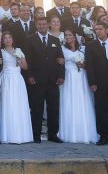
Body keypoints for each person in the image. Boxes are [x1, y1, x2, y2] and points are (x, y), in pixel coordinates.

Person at [27, 15, 64, 143]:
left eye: (44, 24)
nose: (42, 26)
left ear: (48, 25)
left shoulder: (55, 40)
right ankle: (36, 134)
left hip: (53, 80)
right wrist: (29, 75)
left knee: (53, 108)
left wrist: (61, 76)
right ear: (36, 25)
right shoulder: (30, 39)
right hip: (37, 80)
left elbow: (60, 59)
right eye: (39, 24)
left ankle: (53, 134)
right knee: (37, 108)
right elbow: (29, 60)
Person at [55, 29, 95, 143]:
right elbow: (59, 61)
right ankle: (68, 132)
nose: (67, 37)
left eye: (69, 35)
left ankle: (85, 131)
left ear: (74, 37)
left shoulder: (83, 49)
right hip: (68, 77)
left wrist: (83, 65)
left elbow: (90, 63)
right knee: (68, 102)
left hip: (81, 77)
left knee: (82, 101)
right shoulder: (62, 49)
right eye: (66, 35)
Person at [0, 31, 34, 143]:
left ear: (13, 40)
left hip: (17, 79)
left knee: (18, 104)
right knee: (7, 104)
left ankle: (20, 134)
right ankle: (6, 134)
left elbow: (25, 67)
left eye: (9, 38)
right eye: (5, 38)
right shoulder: (0, 52)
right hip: (6, 79)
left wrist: (19, 60)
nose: (7, 40)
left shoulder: (18, 51)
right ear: (3, 41)